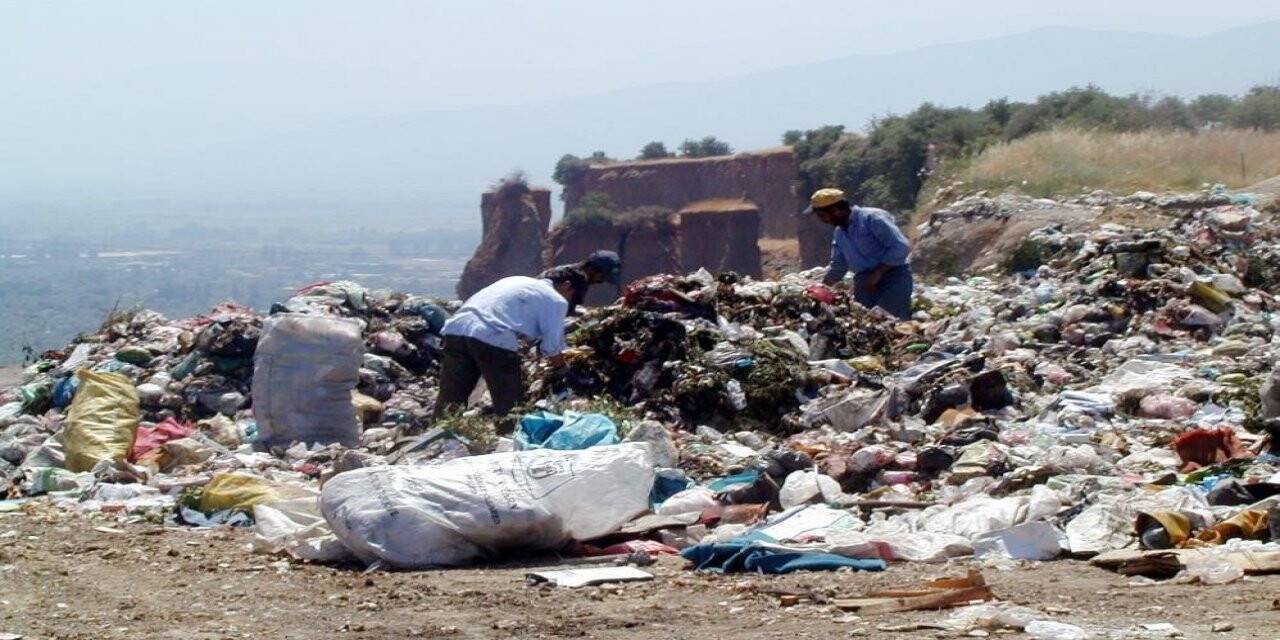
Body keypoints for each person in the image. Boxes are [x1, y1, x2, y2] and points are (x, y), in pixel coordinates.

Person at [433, 271, 585, 428]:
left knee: (451, 397)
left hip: (456, 329)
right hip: (492, 335)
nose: (571, 303)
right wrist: (564, 371)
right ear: (567, 286)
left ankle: (437, 437)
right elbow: (552, 347)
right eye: (575, 298)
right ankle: (509, 438)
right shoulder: (557, 300)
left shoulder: (517, 280)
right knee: (509, 404)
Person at [806, 188, 914, 319]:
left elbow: (901, 246)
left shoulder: (872, 219)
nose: (823, 221)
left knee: (891, 320)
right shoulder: (839, 234)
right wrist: (823, 287)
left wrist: (878, 273)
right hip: (864, 283)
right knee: (866, 322)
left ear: (835, 211)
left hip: (893, 277)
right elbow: (839, 266)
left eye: (823, 216)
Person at [539, 250, 622, 314]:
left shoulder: (566, 270)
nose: (602, 281)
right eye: (602, 276)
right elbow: (566, 313)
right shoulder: (578, 279)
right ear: (591, 269)